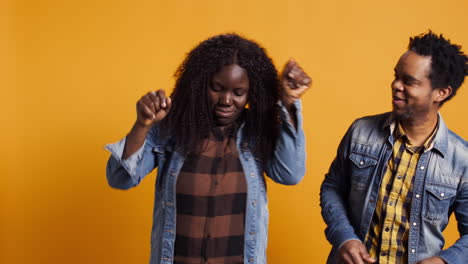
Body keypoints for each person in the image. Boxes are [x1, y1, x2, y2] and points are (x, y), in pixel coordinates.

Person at [105, 34, 311, 264]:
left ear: (251, 93)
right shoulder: (171, 128)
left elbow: (290, 174)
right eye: (217, 88)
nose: (226, 100)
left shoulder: (257, 131)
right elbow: (120, 178)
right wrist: (143, 125)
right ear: (200, 83)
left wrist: (289, 104)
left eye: (238, 92)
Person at [320, 31, 468, 264]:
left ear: (441, 93)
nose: (395, 85)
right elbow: (332, 187)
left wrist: (444, 261)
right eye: (396, 76)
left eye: (409, 81)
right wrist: (344, 237)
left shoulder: (462, 160)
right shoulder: (361, 131)